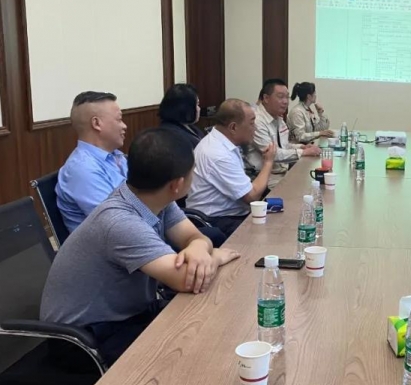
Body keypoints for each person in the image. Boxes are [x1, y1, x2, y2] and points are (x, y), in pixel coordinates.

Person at [40, 128, 241, 364]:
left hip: (127, 317)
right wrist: (215, 256)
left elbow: (193, 236)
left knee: (206, 329)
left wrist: (198, 246)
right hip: (84, 340)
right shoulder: (120, 222)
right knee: (191, 351)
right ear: (177, 184)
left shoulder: (154, 198)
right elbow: (187, 280)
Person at [187, 99, 276, 236]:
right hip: (217, 220)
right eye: (252, 123)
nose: (255, 128)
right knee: (274, 232)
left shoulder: (222, 142)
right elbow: (252, 196)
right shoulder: (217, 153)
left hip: (230, 215)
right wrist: (268, 162)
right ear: (233, 127)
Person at [57, 91, 128, 232]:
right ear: (97, 123)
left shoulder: (116, 156)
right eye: (119, 119)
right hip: (116, 242)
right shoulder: (82, 170)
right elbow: (118, 225)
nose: (124, 126)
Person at [246, 79, 321, 189]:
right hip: (265, 177)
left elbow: (283, 145)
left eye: (287, 97)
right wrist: (303, 152)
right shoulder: (257, 120)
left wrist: (301, 147)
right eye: (280, 97)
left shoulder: (277, 117)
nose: (285, 102)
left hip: (281, 172)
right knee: (305, 189)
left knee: (313, 182)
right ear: (266, 98)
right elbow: (273, 154)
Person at [159, 83, 205, 148]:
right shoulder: (172, 135)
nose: (199, 108)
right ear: (186, 108)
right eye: (197, 105)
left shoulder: (189, 126)